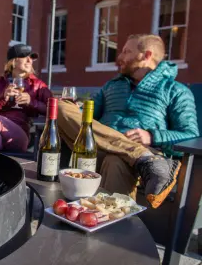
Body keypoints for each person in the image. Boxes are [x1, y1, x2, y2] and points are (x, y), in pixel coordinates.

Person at [58, 34, 199, 208]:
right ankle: (142, 156)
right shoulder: (112, 85)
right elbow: (86, 116)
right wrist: (74, 111)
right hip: (99, 148)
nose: (120, 57)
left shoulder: (175, 90)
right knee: (59, 107)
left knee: (115, 161)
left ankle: (109, 227)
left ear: (145, 55)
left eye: (126, 52)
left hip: (140, 162)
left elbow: (190, 134)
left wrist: (152, 136)